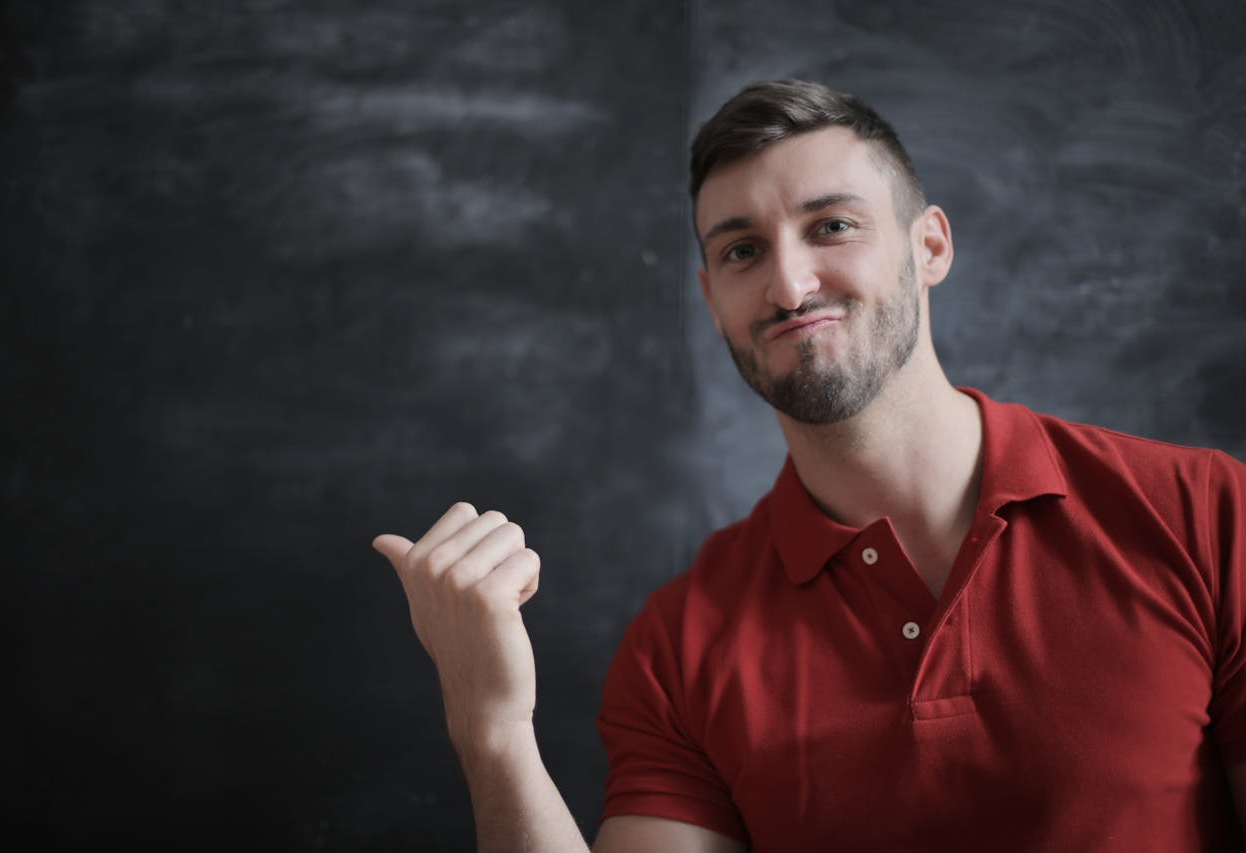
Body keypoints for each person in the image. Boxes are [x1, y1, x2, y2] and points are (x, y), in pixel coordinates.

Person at [373, 80, 1246, 851]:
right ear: (712, 298)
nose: (789, 286)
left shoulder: (1205, 513)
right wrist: (491, 728)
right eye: (742, 250)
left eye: (831, 226)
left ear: (930, 247)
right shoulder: (679, 647)